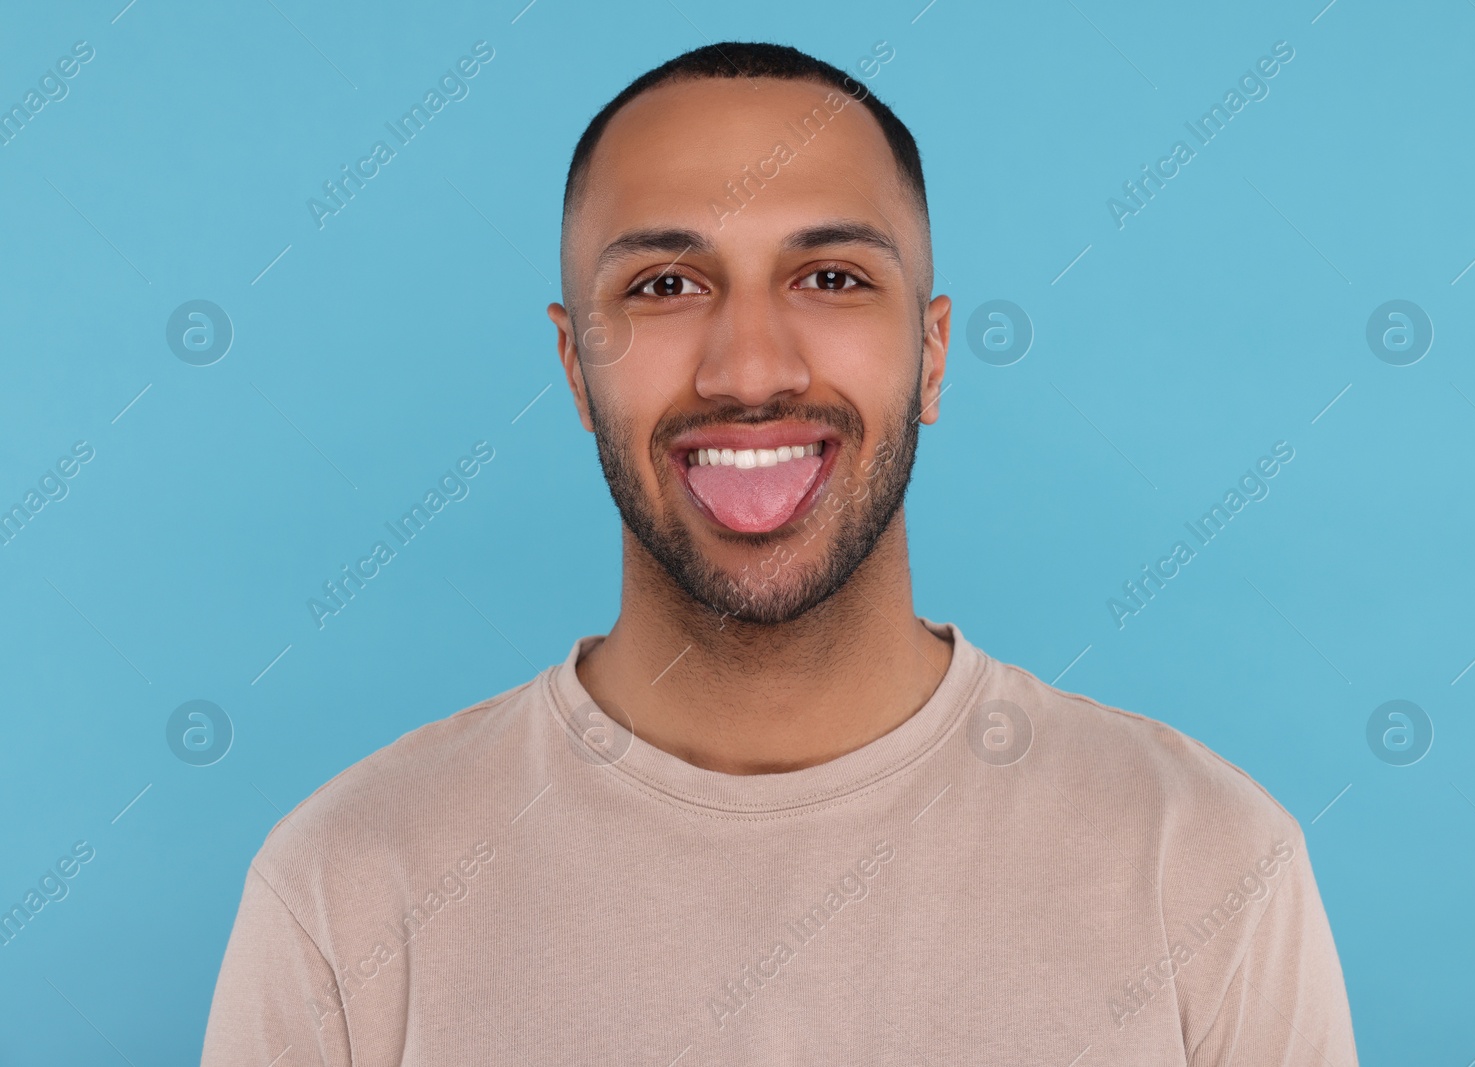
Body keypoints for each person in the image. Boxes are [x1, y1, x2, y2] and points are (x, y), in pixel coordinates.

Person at [201, 40, 1359, 1065]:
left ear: (934, 353)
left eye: (830, 278)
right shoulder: (343, 886)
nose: (748, 369)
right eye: (664, 284)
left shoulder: (1205, 861)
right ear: (572, 368)